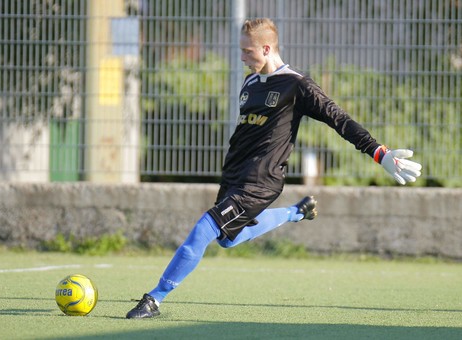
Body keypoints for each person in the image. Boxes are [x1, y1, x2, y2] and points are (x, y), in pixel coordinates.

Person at [126, 18, 422, 319]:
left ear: (266, 48)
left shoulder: (297, 85)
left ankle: (154, 299)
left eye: (247, 51)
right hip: (235, 177)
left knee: (205, 228)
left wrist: (379, 152)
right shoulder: (251, 83)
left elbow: (340, 119)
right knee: (227, 239)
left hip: (261, 181)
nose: (242, 58)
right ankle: (297, 212)